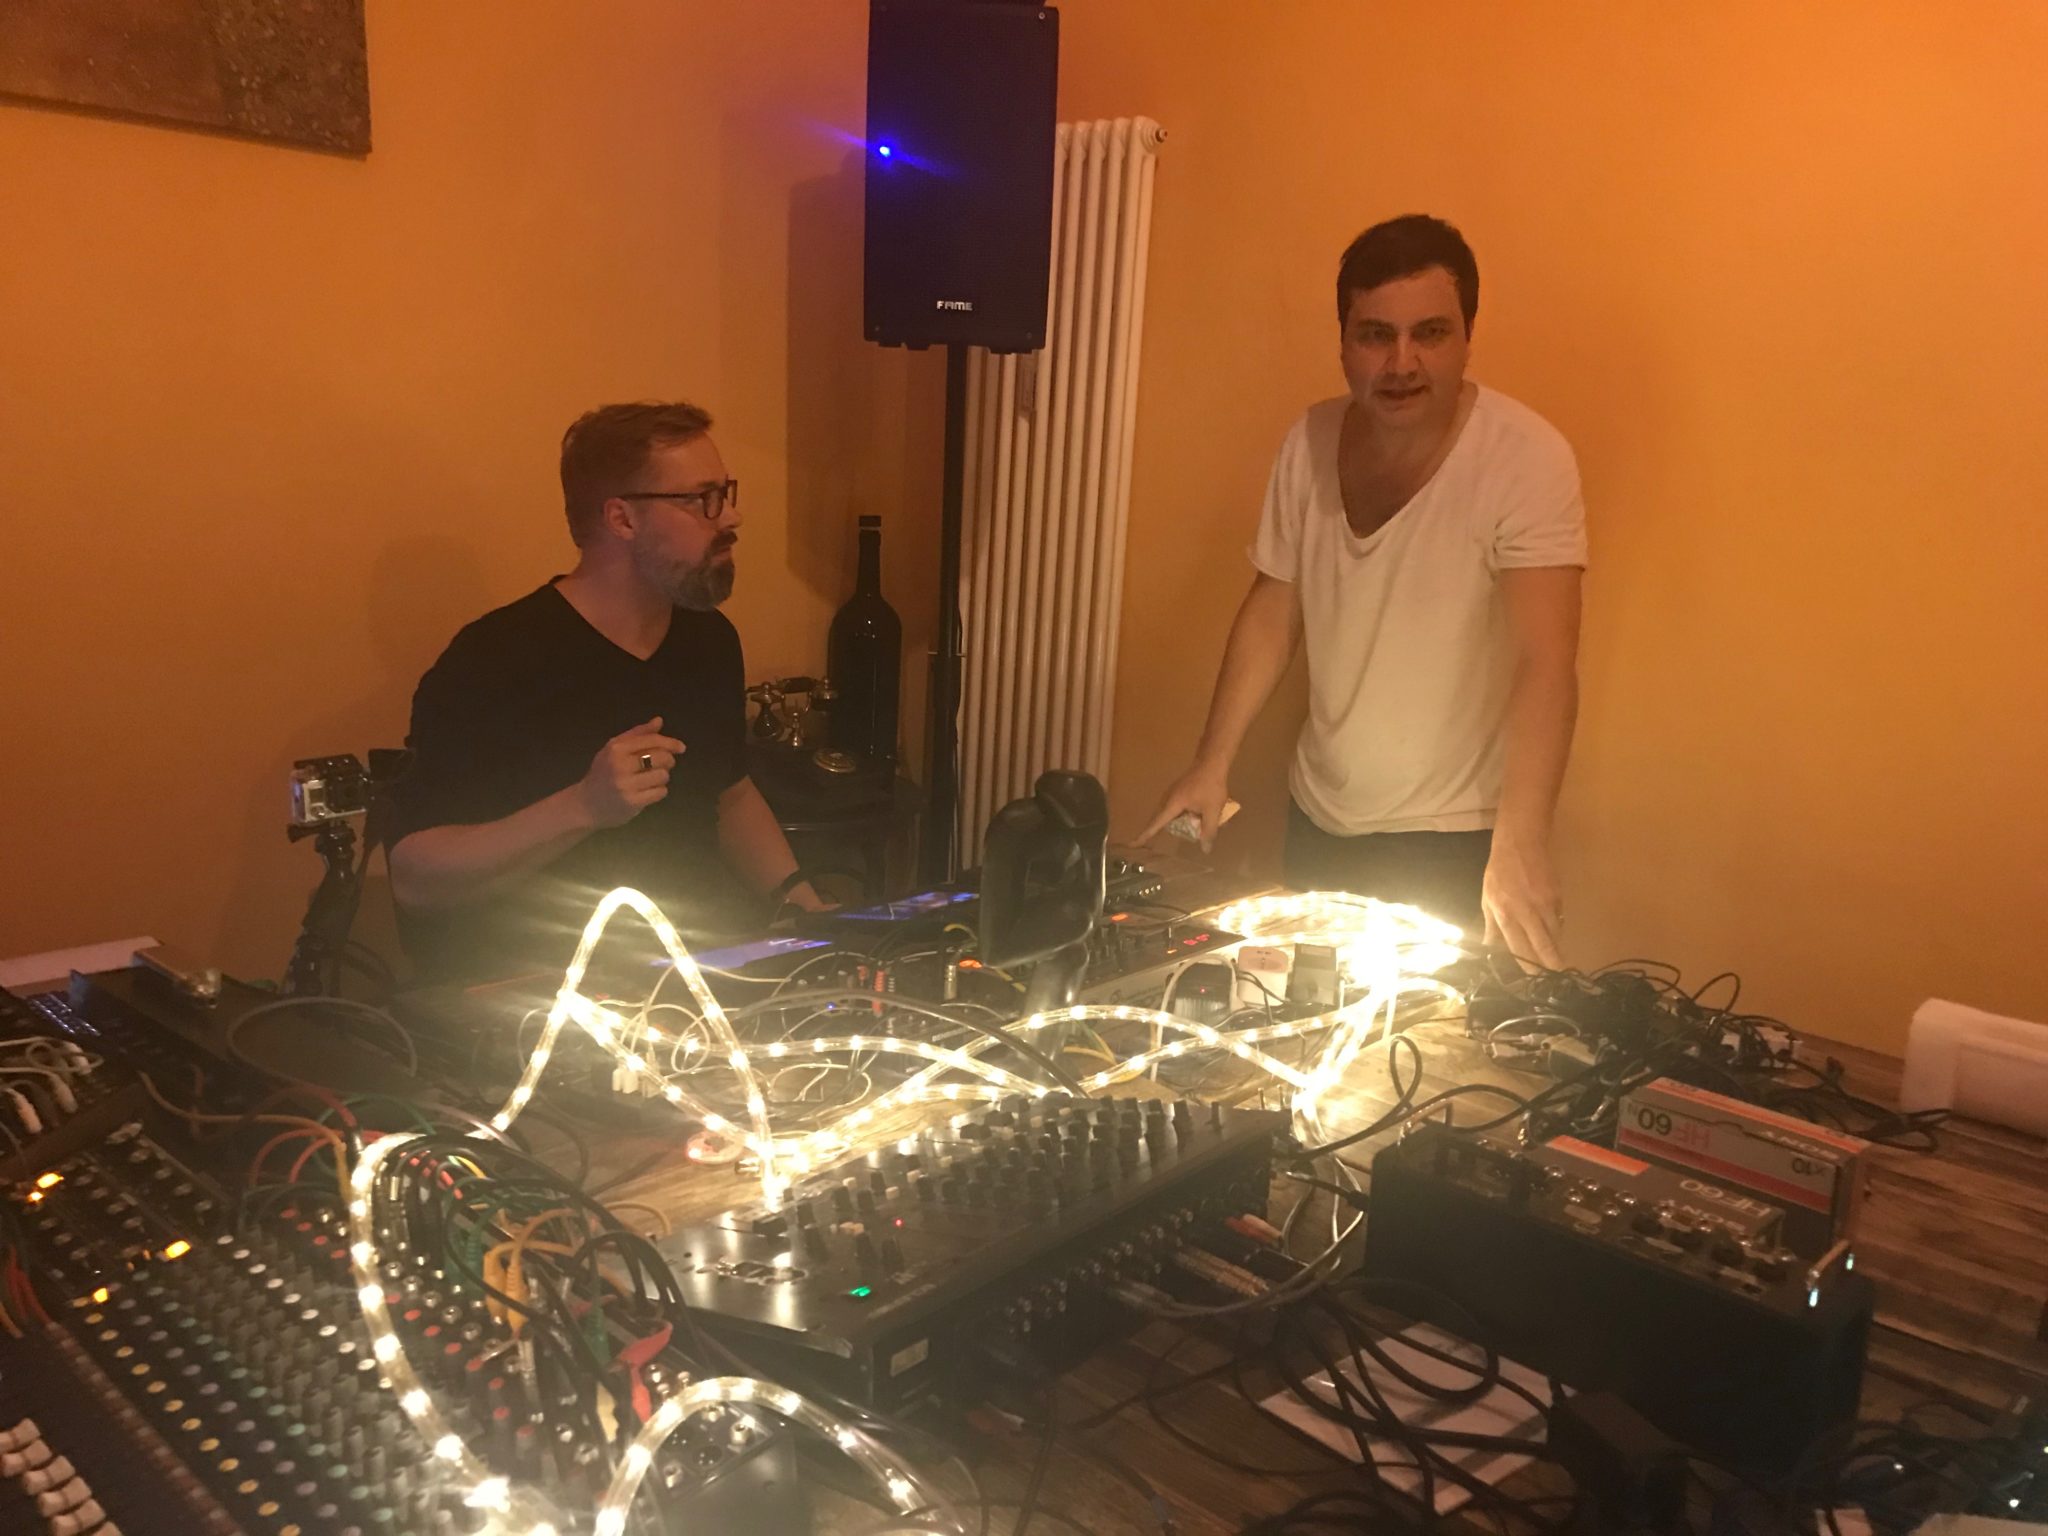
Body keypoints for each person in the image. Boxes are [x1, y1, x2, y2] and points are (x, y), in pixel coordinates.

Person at [1141, 215, 1585, 966]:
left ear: (1467, 337)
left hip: (1456, 836)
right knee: (1310, 1030)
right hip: (1321, 815)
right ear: (1343, 342)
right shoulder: (1308, 439)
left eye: (1430, 334)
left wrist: (1521, 843)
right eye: (1376, 335)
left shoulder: (1527, 458)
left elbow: (1544, 660)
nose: (1402, 363)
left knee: (1437, 1039)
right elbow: (1275, 606)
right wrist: (1211, 762)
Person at [388, 400, 827, 982]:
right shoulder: (492, 660)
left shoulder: (708, 637)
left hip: (697, 972)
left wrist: (807, 908)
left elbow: (729, 792)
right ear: (622, 519)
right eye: (702, 499)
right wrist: (584, 806)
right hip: (548, 992)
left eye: (725, 492)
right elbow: (415, 880)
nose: (731, 516)